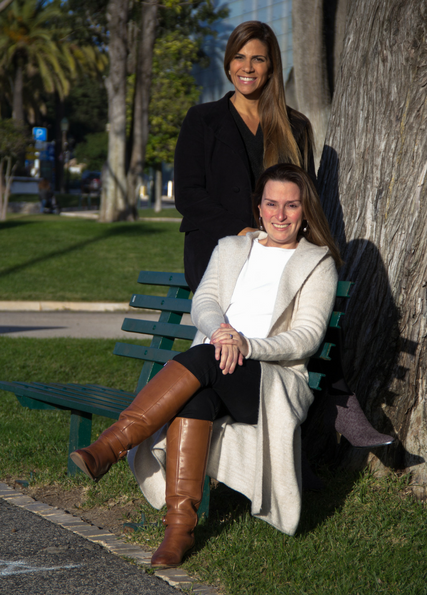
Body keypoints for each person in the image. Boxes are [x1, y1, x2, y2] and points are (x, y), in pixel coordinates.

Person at [71, 164, 340, 567]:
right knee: (196, 399)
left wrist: (245, 345)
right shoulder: (232, 248)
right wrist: (222, 334)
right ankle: (178, 531)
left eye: (291, 205)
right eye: (271, 204)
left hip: (271, 382)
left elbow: (306, 337)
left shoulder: (318, 263)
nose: (280, 215)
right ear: (259, 206)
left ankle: (111, 445)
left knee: (202, 359)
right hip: (217, 360)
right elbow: (205, 302)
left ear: (306, 210)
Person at [174, 20, 394, 451]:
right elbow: (189, 196)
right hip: (224, 255)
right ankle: (328, 411)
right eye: (239, 56)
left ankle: (326, 414)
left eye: (258, 58)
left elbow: (303, 196)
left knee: (309, 321)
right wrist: (243, 235)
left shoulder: (294, 126)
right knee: (229, 350)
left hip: (280, 255)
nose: (247, 66)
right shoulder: (203, 119)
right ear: (227, 62)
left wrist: (310, 253)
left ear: (272, 65)